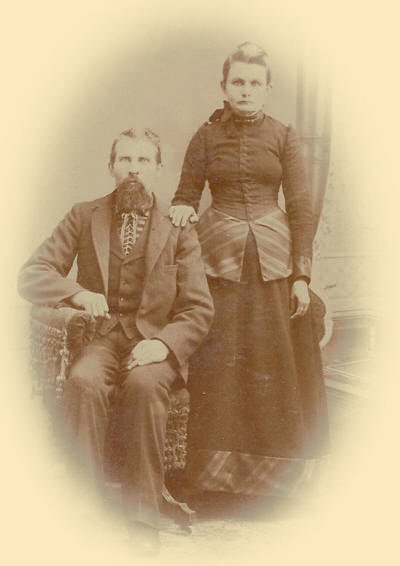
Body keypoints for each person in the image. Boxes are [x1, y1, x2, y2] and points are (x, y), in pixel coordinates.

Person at [18, 126, 214, 553]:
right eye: (125, 160)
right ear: (111, 166)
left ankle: (142, 518)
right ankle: (82, 512)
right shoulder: (84, 214)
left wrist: (163, 345)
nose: (133, 169)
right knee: (83, 382)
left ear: (158, 168)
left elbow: (199, 307)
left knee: (145, 386)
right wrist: (77, 293)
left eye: (143, 160)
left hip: (154, 343)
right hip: (103, 338)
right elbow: (32, 274)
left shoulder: (178, 227)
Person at [169, 42, 329, 503]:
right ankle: (211, 480)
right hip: (217, 264)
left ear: (267, 89)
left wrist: (301, 276)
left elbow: (300, 209)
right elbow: (185, 194)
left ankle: (274, 485)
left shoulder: (284, 136)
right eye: (237, 82)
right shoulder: (205, 137)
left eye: (255, 83)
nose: (245, 90)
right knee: (219, 371)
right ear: (224, 86)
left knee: (270, 367)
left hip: (273, 265)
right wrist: (181, 209)